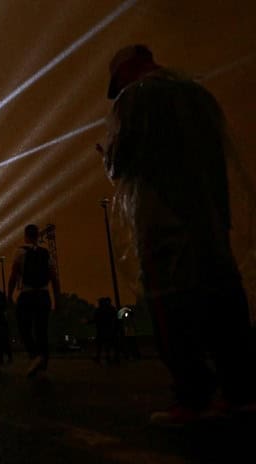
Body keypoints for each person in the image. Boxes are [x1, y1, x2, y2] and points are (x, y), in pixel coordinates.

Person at [102, 45, 256, 425]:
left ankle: (192, 398)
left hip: (164, 220)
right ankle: (240, 393)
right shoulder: (199, 93)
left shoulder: (136, 98)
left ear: (126, 70)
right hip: (210, 217)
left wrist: (108, 157)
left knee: (172, 305)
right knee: (223, 300)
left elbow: (123, 162)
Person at [8, 224, 60, 378]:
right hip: (43, 295)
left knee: (23, 326)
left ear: (25, 235)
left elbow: (13, 275)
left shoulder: (20, 252)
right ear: (38, 236)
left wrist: (9, 295)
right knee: (41, 329)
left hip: (27, 294)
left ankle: (34, 355)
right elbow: (54, 278)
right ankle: (43, 362)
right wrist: (57, 299)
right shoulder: (46, 253)